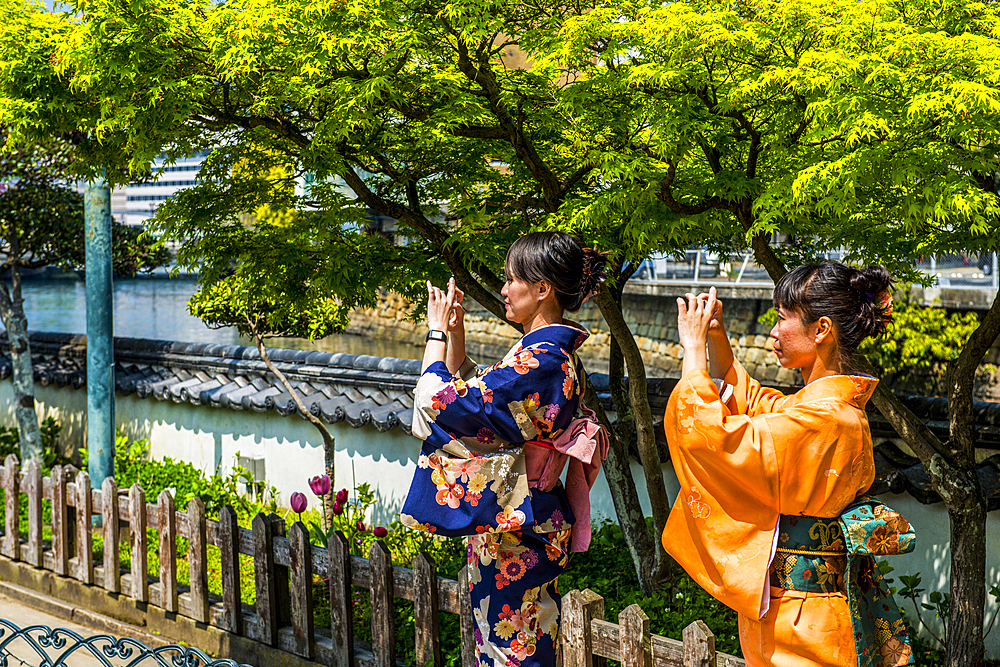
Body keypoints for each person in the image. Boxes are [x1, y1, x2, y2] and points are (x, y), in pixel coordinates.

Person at [664, 263, 915, 667]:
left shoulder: (827, 418)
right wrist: (716, 338)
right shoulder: (819, 409)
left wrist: (693, 353)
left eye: (783, 319)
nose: (774, 331)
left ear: (821, 330)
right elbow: (758, 405)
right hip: (794, 609)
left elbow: (719, 438)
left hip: (806, 618)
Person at [400, 231, 609, 667]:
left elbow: (440, 404)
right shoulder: (543, 353)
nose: (503, 290)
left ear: (541, 289)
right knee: (505, 643)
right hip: (521, 517)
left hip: (523, 521)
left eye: (511, 279)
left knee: (514, 649)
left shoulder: (544, 358)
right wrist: (457, 336)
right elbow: (482, 398)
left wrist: (436, 332)